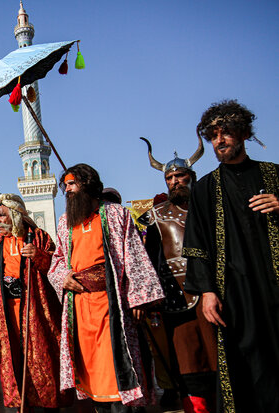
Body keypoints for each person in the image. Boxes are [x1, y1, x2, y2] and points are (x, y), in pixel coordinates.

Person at [182, 100, 279, 412]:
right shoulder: (204, 188)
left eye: (226, 132)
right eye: (213, 135)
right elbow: (196, 245)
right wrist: (207, 292)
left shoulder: (274, 176)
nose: (219, 140)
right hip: (234, 293)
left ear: (245, 133)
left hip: (275, 287)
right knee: (243, 362)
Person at [48, 164, 164, 412]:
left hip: (111, 306)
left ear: (88, 185)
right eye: (64, 185)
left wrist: (139, 299)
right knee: (90, 372)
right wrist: (62, 277)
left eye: (71, 184)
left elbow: (134, 255)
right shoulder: (64, 222)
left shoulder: (115, 215)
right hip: (80, 308)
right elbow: (57, 260)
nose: (66, 190)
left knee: (116, 369)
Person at [140, 136, 217, 412]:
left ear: (191, 176)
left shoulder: (210, 207)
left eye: (180, 175)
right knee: (187, 364)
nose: (175, 181)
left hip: (214, 293)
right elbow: (147, 260)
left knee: (219, 359)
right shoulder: (156, 215)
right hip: (176, 298)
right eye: (170, 178)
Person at [0, 193, 69, 411]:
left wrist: (39, 255)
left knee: (40, 355)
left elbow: (57, 267)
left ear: (16, 214)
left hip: (35, 310)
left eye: (2, 215)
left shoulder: (38, 238)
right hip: (8, 313)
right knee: (13, 357)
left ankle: (47, 401)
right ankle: (20, 402)